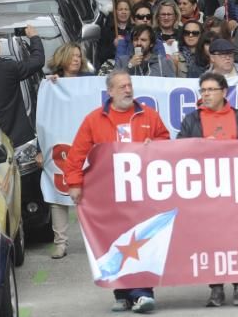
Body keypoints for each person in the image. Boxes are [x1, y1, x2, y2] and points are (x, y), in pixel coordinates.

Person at [64, 70, 170, 313]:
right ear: (110, 92)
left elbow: (166, 142)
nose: (127, 90)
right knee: (114, 241)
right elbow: (76, 155)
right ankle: (122, 293)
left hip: (141, 192)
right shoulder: (94, 120)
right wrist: (74, 183)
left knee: (141, 239)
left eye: (129, 85)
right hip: (108, 193)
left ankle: (142, 293)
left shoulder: (149, 115)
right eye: (121, 86)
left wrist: (155, 146)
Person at [177, 72, 238, 307]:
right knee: (211, 240)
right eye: (203, 91)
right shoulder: (192, 119)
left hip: (236, 189)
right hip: (206, 190)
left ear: (224, 92)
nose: (207, 95)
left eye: (211, 90)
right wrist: (200, 147)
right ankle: (216, 289)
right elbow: (179, 149)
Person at [42, 42, 91, 258]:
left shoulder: (89, 82)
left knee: (92, 193)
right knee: (56, 192)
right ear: (62, 58)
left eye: (79, 56)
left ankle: (94, 240)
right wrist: (39, 147)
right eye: (72, 56)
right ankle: (60, 242)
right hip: (59, 144)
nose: (76, 59)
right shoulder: (50, 84)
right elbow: (42, 118)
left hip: (86, 144)